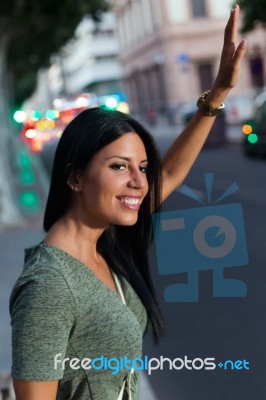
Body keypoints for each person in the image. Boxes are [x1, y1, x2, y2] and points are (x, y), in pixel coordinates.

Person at [9, 5, 247, 400]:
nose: (139, 181)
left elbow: (165, 177)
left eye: (141, 166)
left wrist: (217, 94)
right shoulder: (49, 287)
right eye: (119, 166)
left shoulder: (102, 242)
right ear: (75, 177)